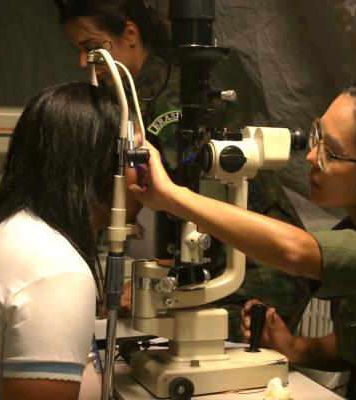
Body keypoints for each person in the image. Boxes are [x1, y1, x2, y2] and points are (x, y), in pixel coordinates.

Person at [129, 76, 356, 399]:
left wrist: (173, 197)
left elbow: (298, 251)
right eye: (318, 136)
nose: (312, 156)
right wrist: (296, 347)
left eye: (331, 152)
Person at [54, 0, 315, 340]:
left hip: (260, 263)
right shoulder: (138, 96)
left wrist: (160, 279)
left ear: (129, 34)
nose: (85, 62)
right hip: (223, 252)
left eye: (91, 49)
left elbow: (188, 197)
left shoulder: (171, 98)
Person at [0, 82, 135, 399]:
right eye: (138, 157)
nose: (147, 173)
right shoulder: (56, 273)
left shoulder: (6, 228)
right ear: (104, 167)